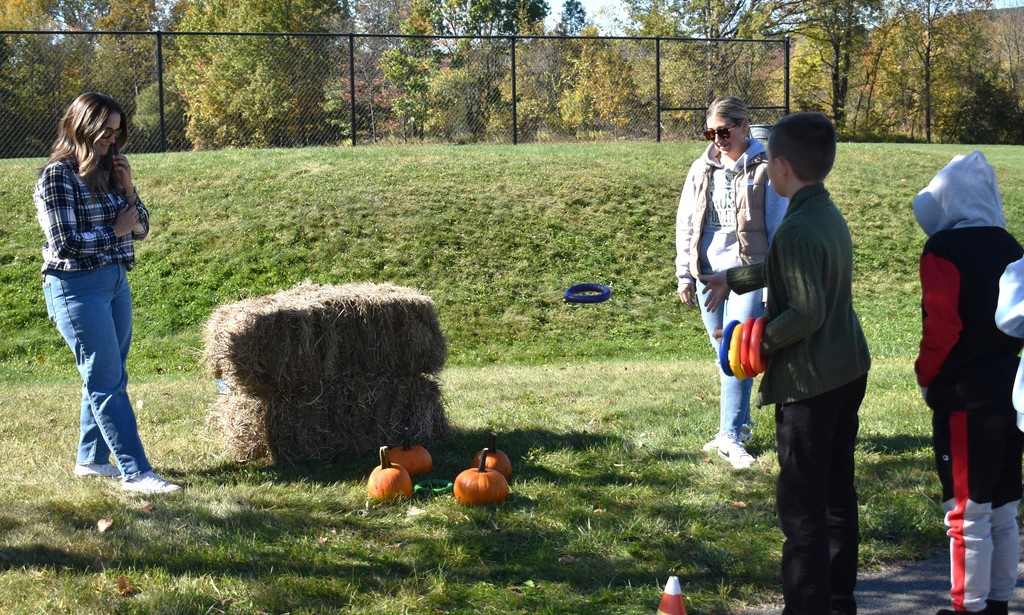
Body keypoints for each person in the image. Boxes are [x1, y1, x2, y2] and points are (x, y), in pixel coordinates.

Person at [700, 112, 871, 615]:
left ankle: (807, 606)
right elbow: (797, 270)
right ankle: (839, 600)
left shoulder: (795, 228)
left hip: (810, 385)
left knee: (801, 509)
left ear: (780, 167)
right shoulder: (824, 212)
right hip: (848, 369)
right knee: (838, 491)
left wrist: (757, 342)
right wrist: (736, 279)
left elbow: (807, 310)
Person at [34, 92, 181, 494]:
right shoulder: (56, 176)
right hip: (76, 287)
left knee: (108, 375)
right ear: (83, 126)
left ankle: (92, 460)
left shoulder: (109, 172)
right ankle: (136, 472)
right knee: (106, 379)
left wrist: (129, 188)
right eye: (105, 132)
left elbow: (140, 228)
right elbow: (64, 244)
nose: (111, 141)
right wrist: (113, 232)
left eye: (116, 134)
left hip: (115, 281)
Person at [914, 151, 1022, 615]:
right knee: (1002, 507)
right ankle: (997, 601)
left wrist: (926, 376)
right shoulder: (1011, 246)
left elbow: (942, 326)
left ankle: (967, 606)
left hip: (962, 397)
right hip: (1009, 391)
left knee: (964, 511)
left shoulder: (943, 250)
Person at [675, 96, 788, 469]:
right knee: (723, 353)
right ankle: (737, 424)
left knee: (736, 355)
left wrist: (769, 280)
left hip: (746, 275)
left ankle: (730, 437)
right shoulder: (701, 167)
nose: (717, 138)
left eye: (724, 131)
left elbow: (777, 226)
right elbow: (687, 222)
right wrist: (685, 273)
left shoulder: (765, 167)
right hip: (709, 273)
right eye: (710, 132)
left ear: (744, 126)